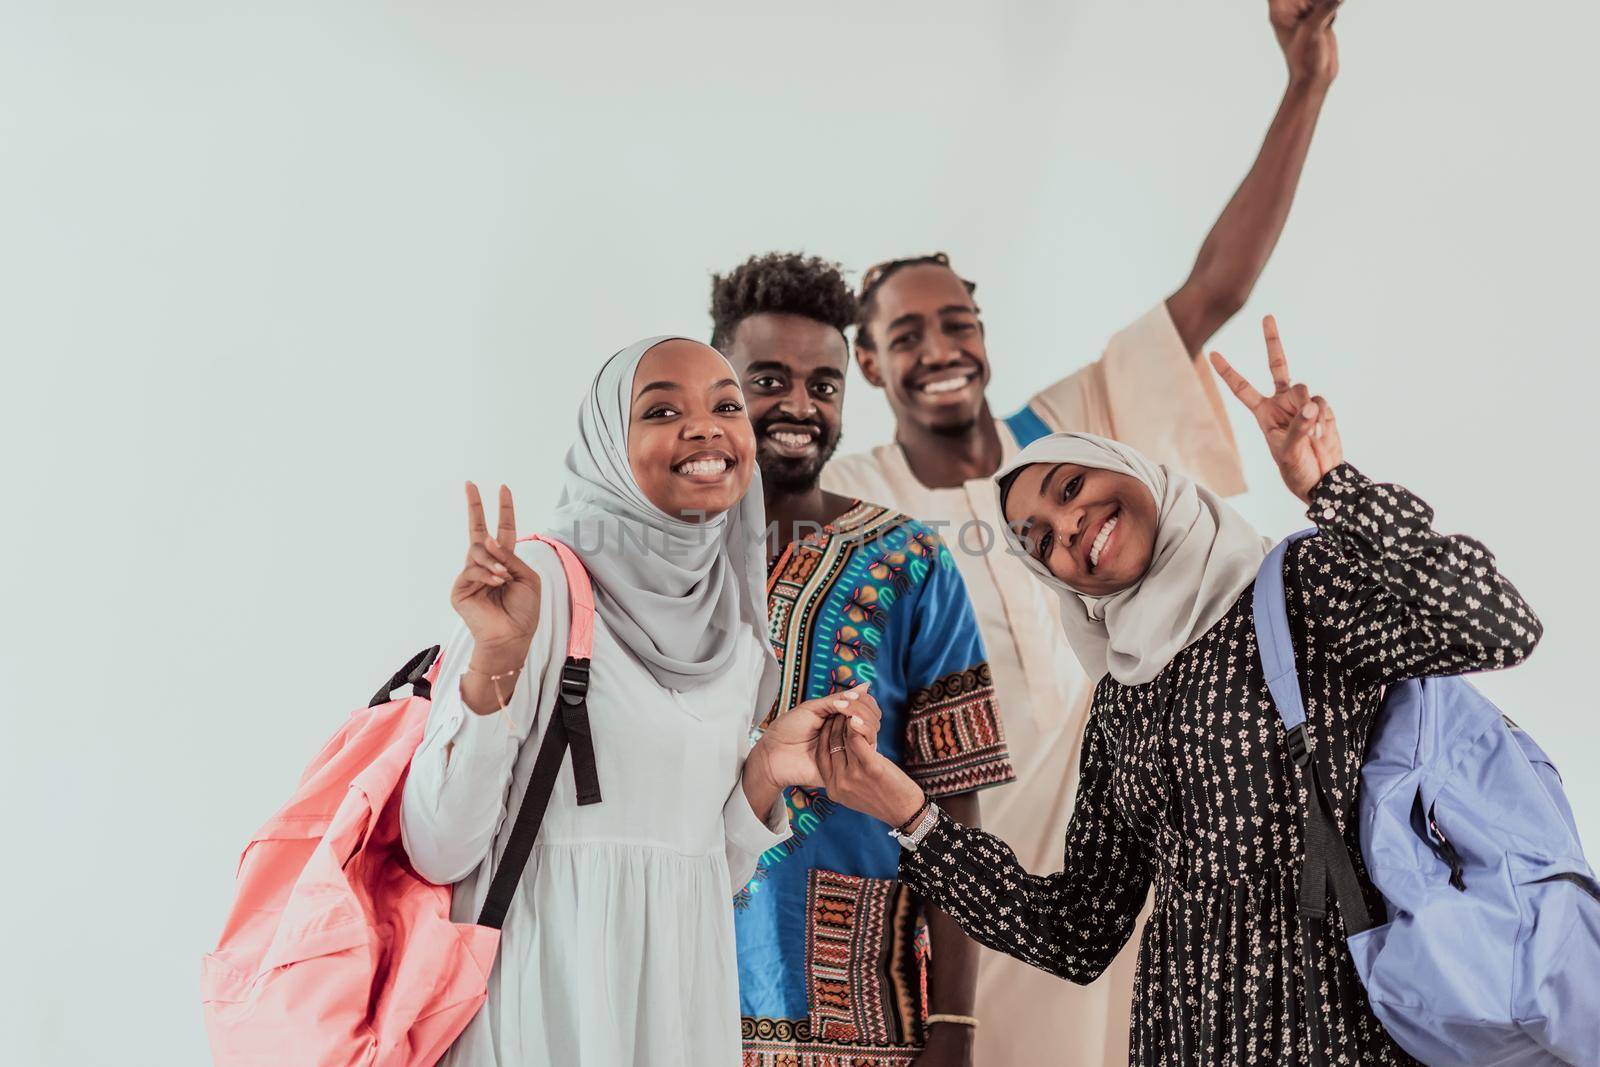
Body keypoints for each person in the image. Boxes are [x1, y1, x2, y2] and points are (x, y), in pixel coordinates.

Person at [820, 3, 1347, 1060]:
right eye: (905, 333)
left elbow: (1214, 291)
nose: (939, 348)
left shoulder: (1069, 433)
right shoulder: (852, 492)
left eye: (956, 320)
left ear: (984, 327)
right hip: (979, 860)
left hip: (1138, 828)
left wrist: (1305, 82)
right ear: (869, 364)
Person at [812, 316, 1544, 1064]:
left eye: (1072, 486)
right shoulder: (1120, 701)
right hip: (1185, 1040)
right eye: (1038, 541)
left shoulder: (1296, 593)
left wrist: (1331, 486)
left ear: (1131, 467)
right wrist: (911, 814)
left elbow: (1495, 625)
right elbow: (1078, 930)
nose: (1068, 526)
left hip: (1338, 1029)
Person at [400, 336, 885, 1067]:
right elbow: (438, 848)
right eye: (661, 408)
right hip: (544, 1005)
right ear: (604, 445)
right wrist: (497, 659)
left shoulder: (735, 631)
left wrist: (765, 771)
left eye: (727, 406)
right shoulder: (539, 586)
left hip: (673, 1012)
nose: (705, 426)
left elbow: (697, 869)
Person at [710, 252, 1014, 1067]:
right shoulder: (652, 559)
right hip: (674, 991)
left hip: (861, 1009)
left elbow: (956, 807)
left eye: (825, 384)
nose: (800, 405)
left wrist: (955, 1027)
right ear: (719, 387)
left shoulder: (912, 561)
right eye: (768, 380)